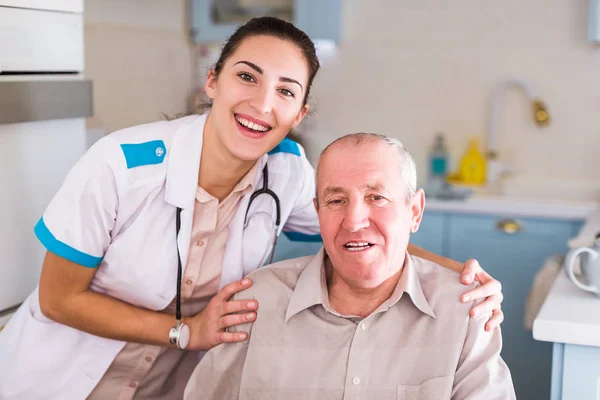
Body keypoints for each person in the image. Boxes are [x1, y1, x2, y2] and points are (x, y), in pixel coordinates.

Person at [0, 17, 503, 400]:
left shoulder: (287, 171)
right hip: (58, 381)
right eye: (247, 77)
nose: (263, 104)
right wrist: (185, 332)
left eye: (285, 91)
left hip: (166, 389)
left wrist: (466, 278)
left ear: (300, 111)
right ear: (213, 81)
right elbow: (57, 298)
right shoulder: (121, 165)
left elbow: (362, 233)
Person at [184, 133, 516, 400]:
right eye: (336, 200)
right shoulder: (256, 301)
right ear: (317, 212)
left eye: (377, 197)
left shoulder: (465, 313)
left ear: (414, 211)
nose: (354, 222)